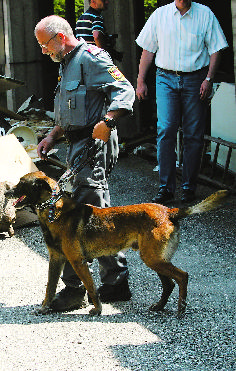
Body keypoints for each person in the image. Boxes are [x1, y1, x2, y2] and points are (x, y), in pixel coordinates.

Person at [34, 15, 135, 311]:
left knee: (78, 214)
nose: (43, 51)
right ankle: (116, 282)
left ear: (60, 38)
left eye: (44, 44)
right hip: (75, 144)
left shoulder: (92, 58)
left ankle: (74, 290)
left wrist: (108, 120)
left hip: (95, 143)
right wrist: (52, 135)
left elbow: (125, 90)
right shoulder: (66, 64)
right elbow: (69, 111)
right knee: (96, 212)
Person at [136, 0, 228, 204]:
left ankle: (188, 187)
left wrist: (209, 79)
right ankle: (166, 188)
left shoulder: (205, 14)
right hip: (165, 78)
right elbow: (148, 50)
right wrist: (141, 80)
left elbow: (216, 49)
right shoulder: (160, 15)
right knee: (166, 129)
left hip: (196, 78)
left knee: (193, 134)